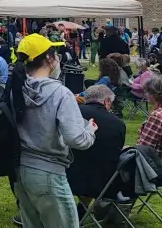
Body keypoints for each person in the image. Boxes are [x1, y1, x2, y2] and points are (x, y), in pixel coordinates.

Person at [11, 34, 96, 227]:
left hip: (20, 170)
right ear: (49, 59)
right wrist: (90, 130)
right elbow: (76, 139)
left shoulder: (16, 87)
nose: (58, 57)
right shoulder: (60, 93)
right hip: (48, 171)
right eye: (55, 53)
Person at [66, 85, 126, 217]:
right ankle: (82, 210)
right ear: (106, 101)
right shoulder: (118, 124)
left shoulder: (72, 113)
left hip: (66, 176)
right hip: (103, 183)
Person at [137, 75, 162, 157]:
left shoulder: (156, 116)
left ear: (153, 94)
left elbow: (145, 148)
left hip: (154, 164)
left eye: (146, 91)